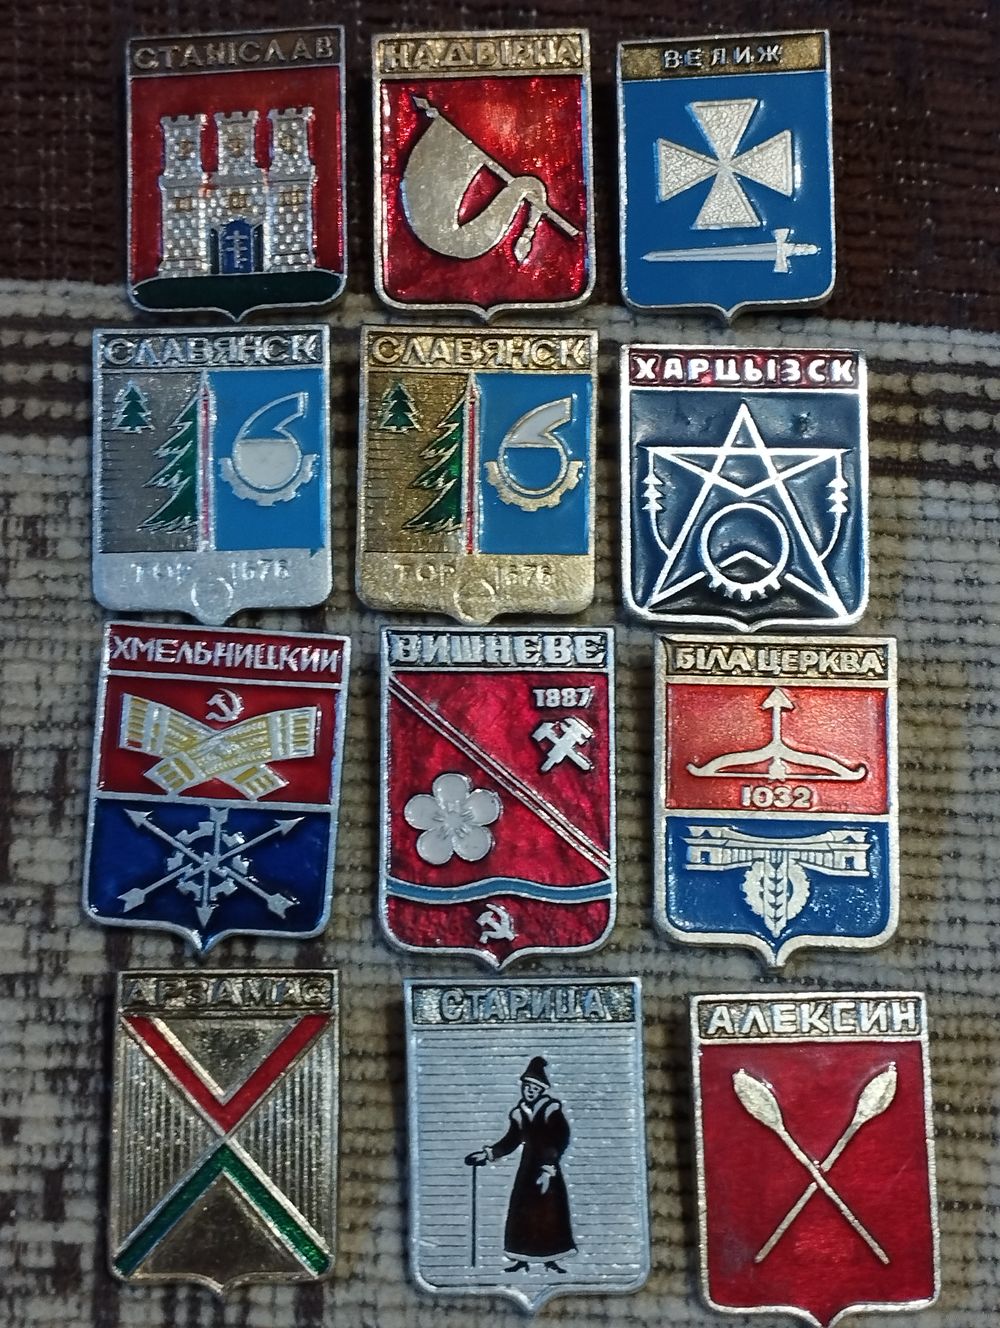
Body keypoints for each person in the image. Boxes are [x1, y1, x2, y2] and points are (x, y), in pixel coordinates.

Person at [465, 1056, 576, 1273]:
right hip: (527, 1169)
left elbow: (560, 1139)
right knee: (522, 1211)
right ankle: (521, 1258)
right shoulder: (520, 1112)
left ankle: (551, 1259)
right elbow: (511, 1140)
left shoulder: (551, 1110)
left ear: (541, 1090)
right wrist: (487, 1154)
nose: (530, 1091)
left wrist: (548, 1167)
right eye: (527, 1087)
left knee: (549, 1213)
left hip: (547, 1167)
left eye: (535, 1088)